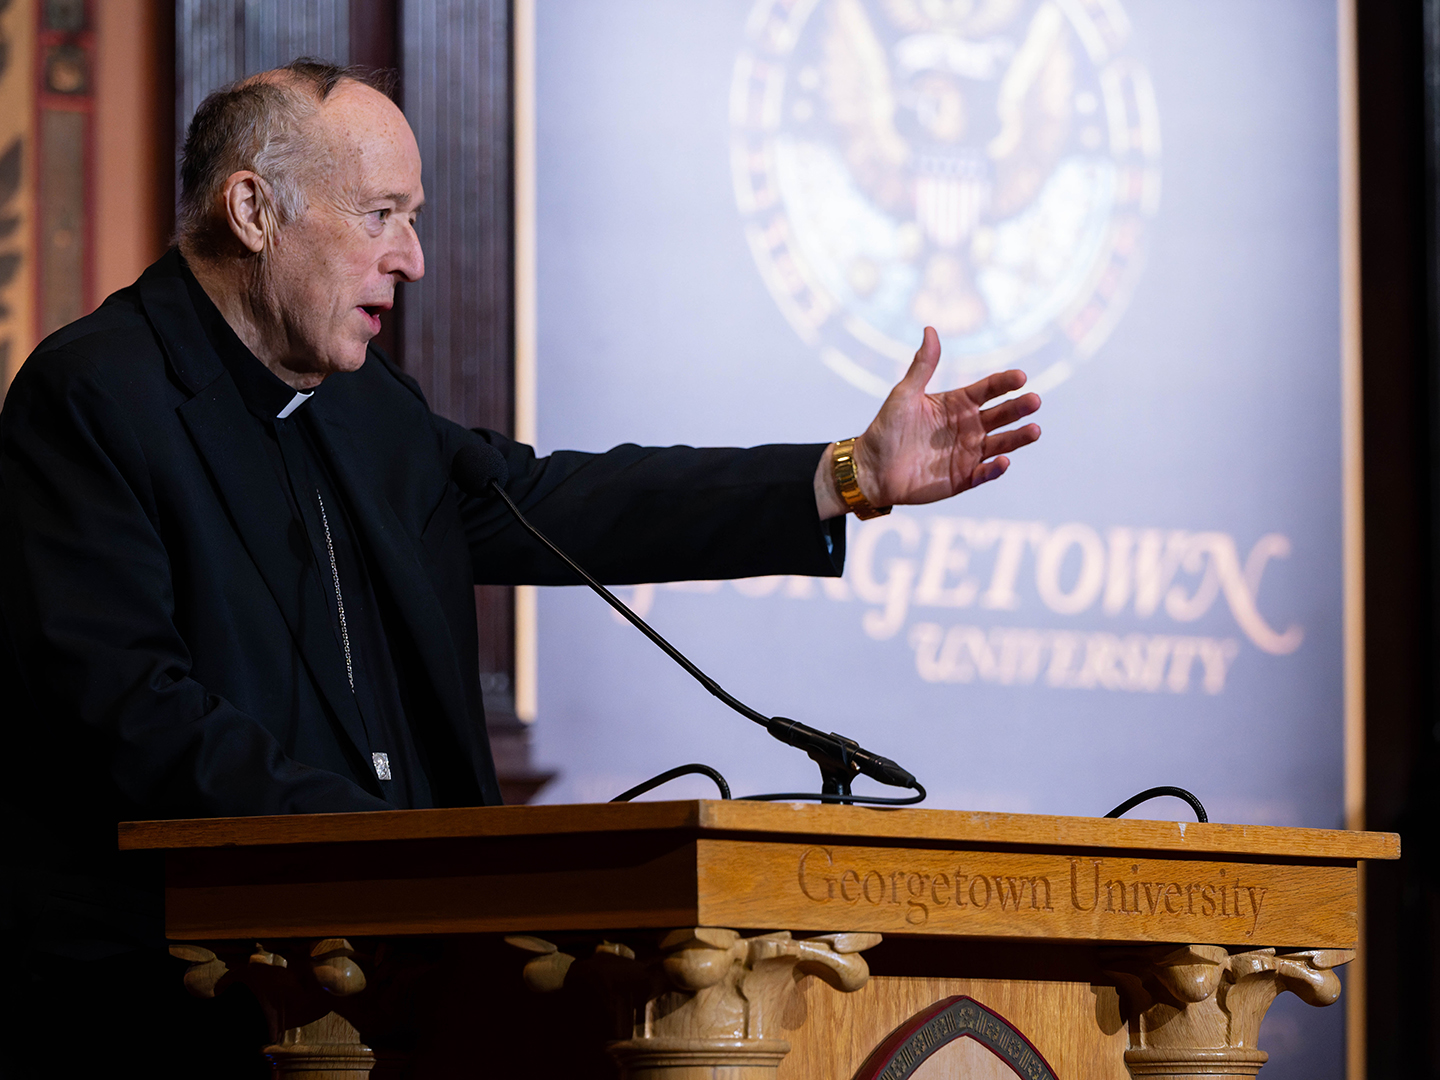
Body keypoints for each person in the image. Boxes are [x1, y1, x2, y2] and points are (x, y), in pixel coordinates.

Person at [0, 60, 1040, 1074]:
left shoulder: (367, 406)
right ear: (253, 208)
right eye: (381, 216)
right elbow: (136, 712)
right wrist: (389, 853)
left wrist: (844, 474)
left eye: (412, 219)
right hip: (185, 1001)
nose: (411, 259)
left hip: (406, 985)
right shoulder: (94, 398)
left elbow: (557, 505)